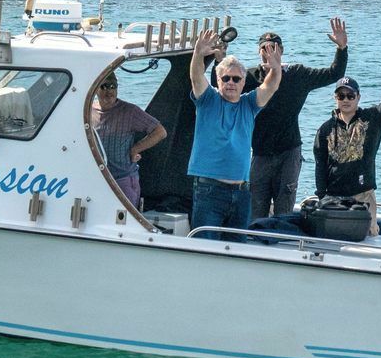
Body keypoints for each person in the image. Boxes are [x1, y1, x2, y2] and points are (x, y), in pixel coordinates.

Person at [244, 18, 348, 220]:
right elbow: (221, 84)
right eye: (264, 49)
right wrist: (217, 56)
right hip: (260, 152)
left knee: (284, 209)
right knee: (255, 210)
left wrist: (342, 48)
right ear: (259, 52)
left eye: (273, 48)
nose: (269, 53)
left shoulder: (297, 74)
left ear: (281, 51)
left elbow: (334, 73)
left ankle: (282, 245)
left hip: (289, 152)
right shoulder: (249, 78)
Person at [312, 52, 381, 231]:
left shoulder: (372, 119)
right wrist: (322, 196)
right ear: (335, 99)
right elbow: (320, 165)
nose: (346, 100)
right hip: (333, 199)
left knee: (369, 236)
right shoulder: (325, 129)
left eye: (350, 95)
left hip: (363, 196)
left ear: (358, 97)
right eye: (341, 96)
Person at [185, 28, 263, 234]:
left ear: (243, 82)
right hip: (209, 190)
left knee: (238, 250)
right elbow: (195, 77)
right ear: (218, 80)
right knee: (204, 247)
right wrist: (198, 54)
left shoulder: (249, 104)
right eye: (226, 78)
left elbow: (271, 87)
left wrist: (275, 68)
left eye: (236, 79)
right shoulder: (208, 99)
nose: (230, 82)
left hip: (242, 192)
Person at [89, 74, 166, 211]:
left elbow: (160, 132)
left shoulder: (130, 111)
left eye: (113, 86)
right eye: (104, 86)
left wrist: (136, 149)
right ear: (95, 89)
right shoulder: (87, 112)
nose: (109, 91)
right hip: (96, 179)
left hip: (123, 180)